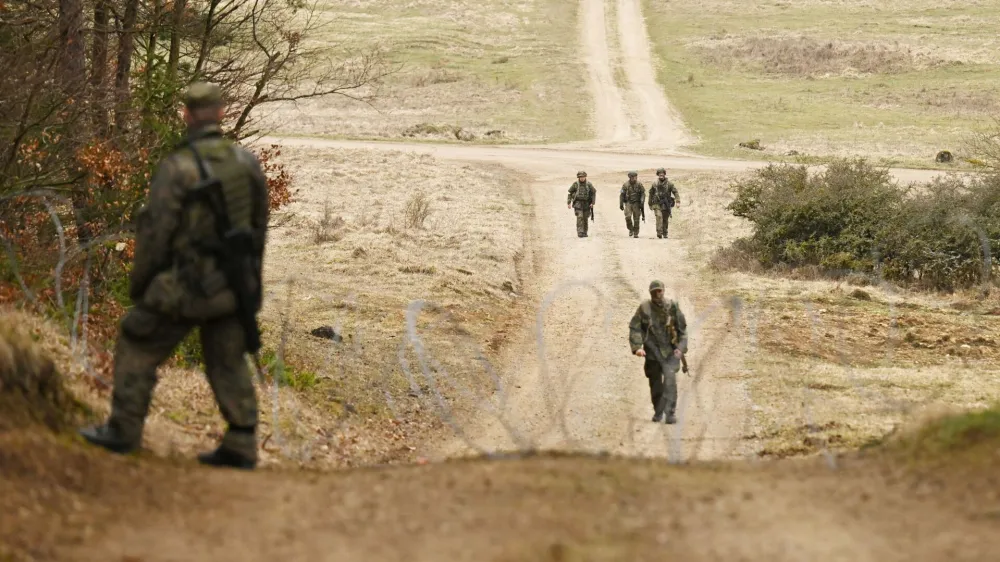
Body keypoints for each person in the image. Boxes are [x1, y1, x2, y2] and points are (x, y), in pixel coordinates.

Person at [78, 82, 270, 470]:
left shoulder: (178, 167)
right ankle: (242, 443)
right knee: (227, 357)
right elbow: (259, 229)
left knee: (137, 338)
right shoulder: (247, 163)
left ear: (186, 115)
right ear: (221, 114)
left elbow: (155, 233)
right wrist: (250, 287)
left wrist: (142, 284)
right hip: (234, 285)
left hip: (187, 284)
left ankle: (123, 430)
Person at [629, 280, 688, 423]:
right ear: (650, 293)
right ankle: (658, 411)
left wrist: (680, 349)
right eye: (654, 291)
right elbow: (635, 327)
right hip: (652, 352)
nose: (657, 294)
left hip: (670, 352)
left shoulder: (672, 307)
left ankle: (670, 413)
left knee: (670, 383)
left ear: (663, 291)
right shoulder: (644, 308)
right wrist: (637, 348)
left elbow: (682, 330)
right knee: (655, 384)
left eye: (659, 290)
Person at [647, 168, 680, 239]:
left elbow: (675, 192)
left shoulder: (669, 184)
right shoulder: (655, 183)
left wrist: (677, 201)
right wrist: (650, 203)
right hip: (657, 203)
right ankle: (659, 232)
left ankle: (665, 232)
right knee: (659, 217)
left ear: (664, 174)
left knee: (665, 219)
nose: (661, 175)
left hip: (666, 204)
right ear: (658, 175)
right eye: (659, 173)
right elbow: (651, 193)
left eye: (662, 173)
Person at [566, 170, 596, 237]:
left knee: (585, 218)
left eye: (583, 177)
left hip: (587, 204)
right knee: (579, 217)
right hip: (578, 203)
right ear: (578, 177)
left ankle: (585, 232)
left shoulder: (589, 184)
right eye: (581, 177)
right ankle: (580, 232)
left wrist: (592, 203)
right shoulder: (575, 184)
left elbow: (593, 192)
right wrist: (569, 202)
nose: (582, 178)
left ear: (585, 177)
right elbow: (570, 193)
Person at [619, 171, 645, 238]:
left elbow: (643, 193)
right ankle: (630, 229)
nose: (634, 178)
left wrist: (642, 201)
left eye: (635, 177)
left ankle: (636, 232)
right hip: (628, 203)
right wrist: (621, 203)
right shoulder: (625, 185)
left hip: (636, 203)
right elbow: (622, 195)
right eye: (633, 177)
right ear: (630, 177)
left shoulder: (639, 184)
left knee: (636, 218)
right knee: (628, 217)